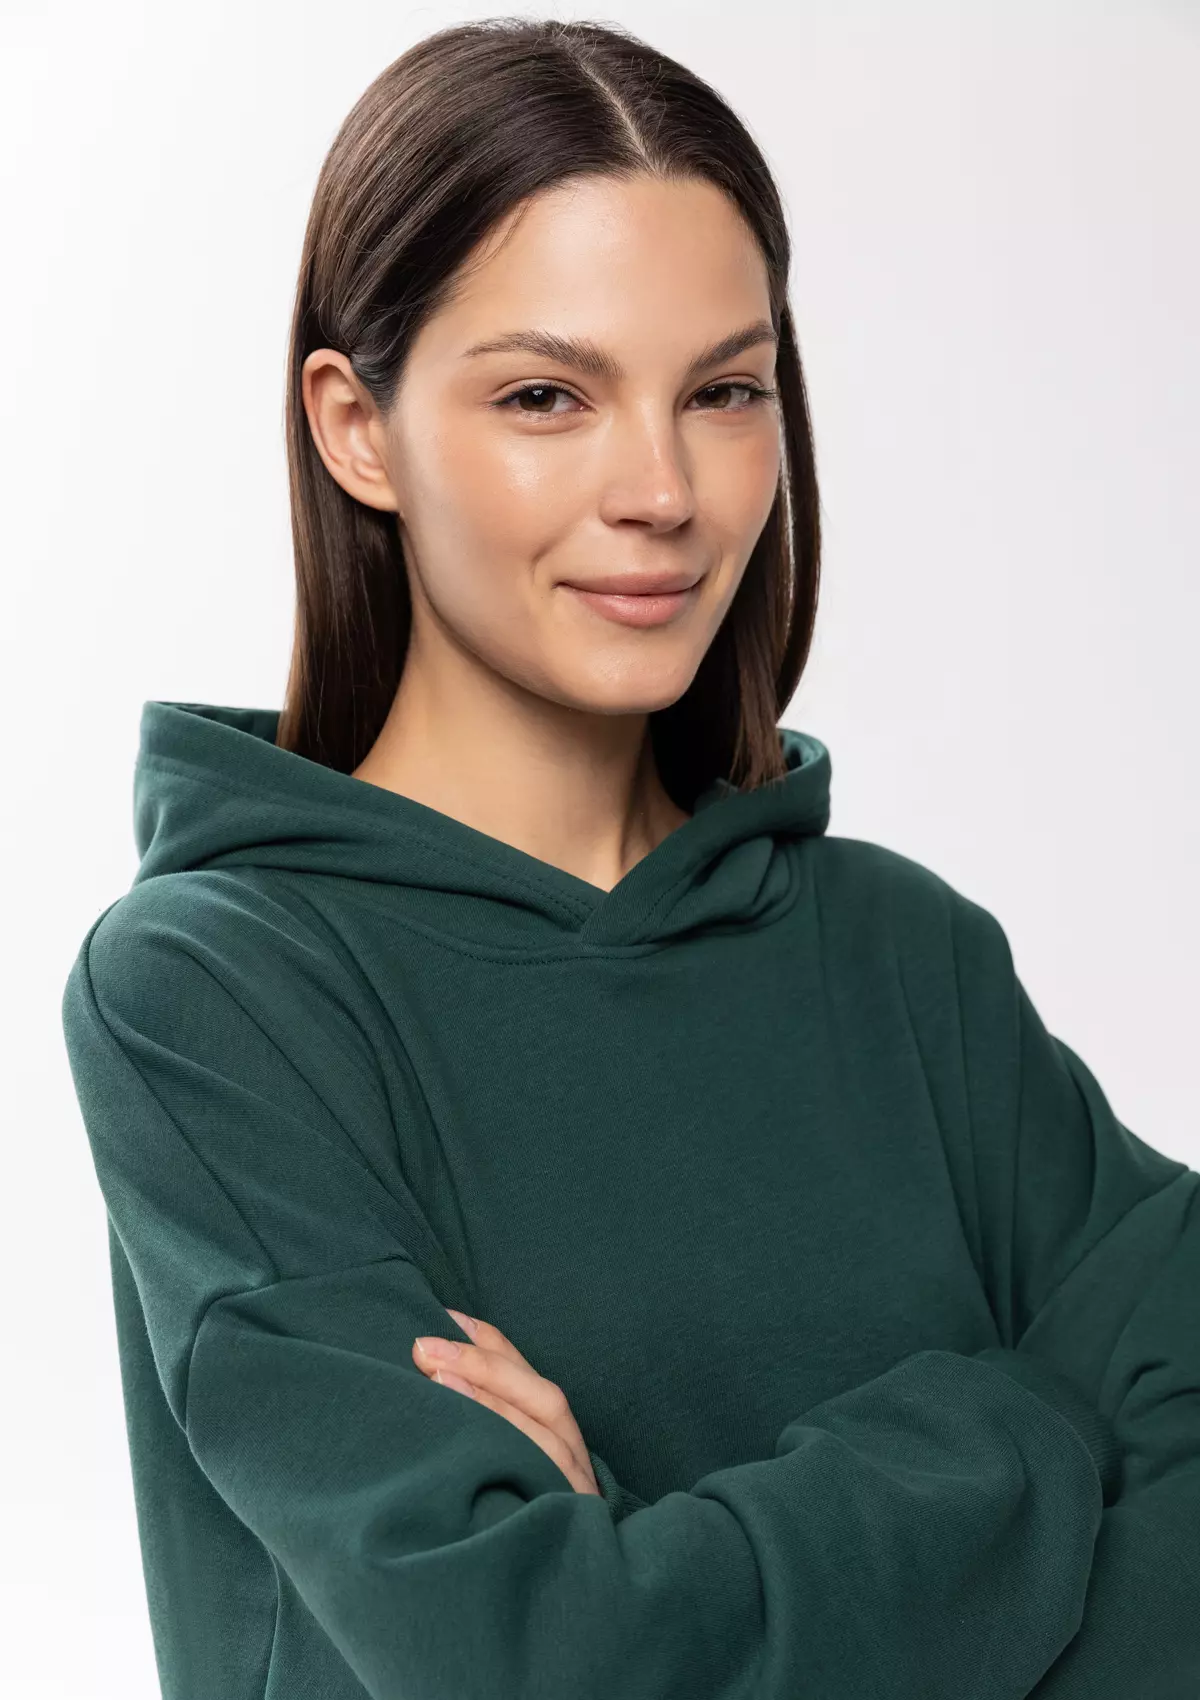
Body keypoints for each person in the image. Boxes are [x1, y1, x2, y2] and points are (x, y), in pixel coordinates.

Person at [60, 17, 1199, 1700]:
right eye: (547, 396)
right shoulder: (216, 995)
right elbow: (550, 1662)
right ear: (356, 427)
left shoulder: (907, 955)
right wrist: (1031, 1429)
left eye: (724, 392)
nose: (662, 490)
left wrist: (656, 1547)